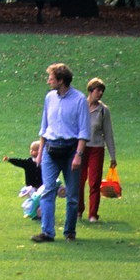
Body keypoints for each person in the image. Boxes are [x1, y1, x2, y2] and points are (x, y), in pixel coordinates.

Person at [33, 62, 90, 243]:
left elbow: (84, 131)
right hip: (50, 149)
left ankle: (69, 232)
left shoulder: (79, 100)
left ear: (61, 80)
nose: (48, 81)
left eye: (51, 78)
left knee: (72, 195)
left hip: (71, 150)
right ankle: (47, 232)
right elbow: (44, 127)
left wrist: (78, 155)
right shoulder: (49, 98)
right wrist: (40, 153)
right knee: (47, 191)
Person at [75, 77, 118, 223]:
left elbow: (108, 134)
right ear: (90, 90)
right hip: (81, 148)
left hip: (96, 149)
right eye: (97, 90)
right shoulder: (80, 106)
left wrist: (113, 156)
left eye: (102, 91)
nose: (100, 94)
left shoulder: (103, 111)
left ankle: (93, 214)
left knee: (94, 182)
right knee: (79, 181)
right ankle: (78, 210)